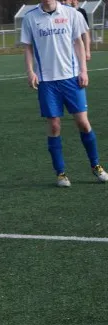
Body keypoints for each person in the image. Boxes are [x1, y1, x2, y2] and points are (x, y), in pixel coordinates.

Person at [21, 0, 108, 187]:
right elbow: (27, 47)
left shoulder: (71, 13)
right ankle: (60, 173)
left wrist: (83, 71)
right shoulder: (30, 17)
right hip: (46, 81)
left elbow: (78, 42)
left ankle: (96, 165)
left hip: (71, 78)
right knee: (54, 125)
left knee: (83, 123)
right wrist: (30, 71)